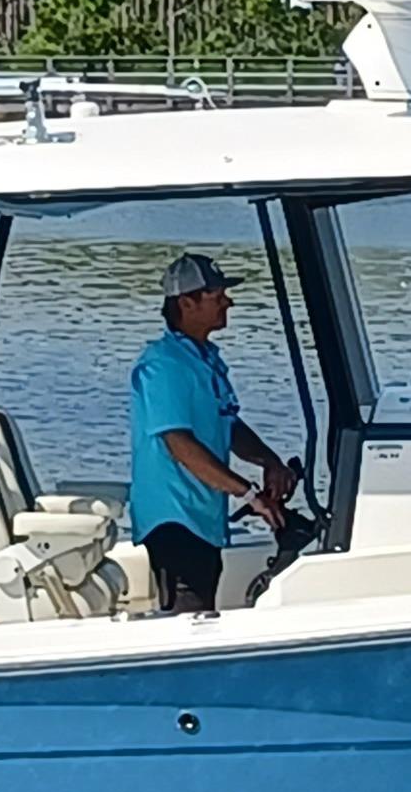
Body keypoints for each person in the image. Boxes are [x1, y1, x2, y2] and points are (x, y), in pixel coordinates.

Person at [128, 251, 302, 614]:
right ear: (186, 303)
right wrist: (249, 494)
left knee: (205, 604)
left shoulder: (205, 359)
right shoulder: (163, 366)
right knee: (188, 618)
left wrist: (269, 462)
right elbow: (179, 444)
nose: (228, 302)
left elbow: (229, 424)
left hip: (203, 518)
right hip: (174, 520)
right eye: (217, 295)